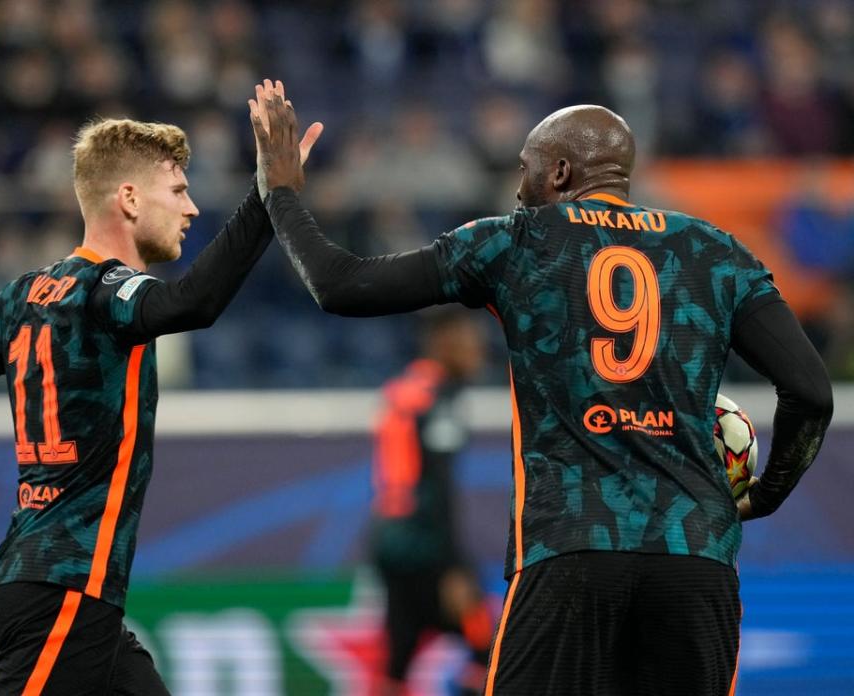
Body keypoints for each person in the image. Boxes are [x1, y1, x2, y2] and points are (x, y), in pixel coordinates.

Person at [248, 87, 834, 695]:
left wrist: (282, 193)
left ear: (559, 172)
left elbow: (341, 286)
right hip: (696, 555)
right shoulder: (715, 251)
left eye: (524, 171)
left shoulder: (517, 241)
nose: (517, 189)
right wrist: (764, 495)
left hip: (571, 547)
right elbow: (811, 393)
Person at [0, 82, 322, 695]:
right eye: (178, 190)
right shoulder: (108, 292)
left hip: (51, 584)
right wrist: (269, 194)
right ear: (128, 198)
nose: (192, 209)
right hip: (65, 591)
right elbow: (194, 303)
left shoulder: (23, 295)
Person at [370, 309, 493, 695]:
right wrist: (454, 567)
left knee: (401, 652)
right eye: (469, 340)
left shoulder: (405, 387)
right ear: (443, 342)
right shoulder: (438, 398)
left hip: (391, 541)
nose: (479, 349)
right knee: (486, 641)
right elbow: (438, 487)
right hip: (424, 547)